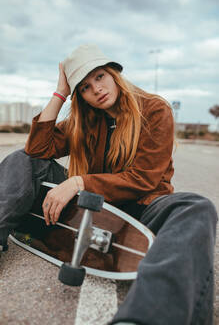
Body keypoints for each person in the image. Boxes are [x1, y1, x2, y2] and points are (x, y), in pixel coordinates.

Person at [0, 44, 217, 325]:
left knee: (196, 207)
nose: (97, 89)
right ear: (81, 96)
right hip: (92, 204)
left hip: (142, 205)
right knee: (22, 159)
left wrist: (79, 181)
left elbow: (144, 179)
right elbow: (36, 149)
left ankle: (147, 317)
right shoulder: (84, 119)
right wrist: (60, 93)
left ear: (114, 74)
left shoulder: (153, 109)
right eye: (85, 87)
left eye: (100, 77)